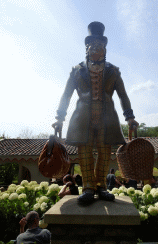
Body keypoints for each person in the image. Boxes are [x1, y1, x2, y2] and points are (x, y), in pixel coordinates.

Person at [52, 21, 139, 204]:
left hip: (107, 120)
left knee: (104, 153)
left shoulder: (113, 71)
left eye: (100, 46)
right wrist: (60, 118)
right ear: (87, 48)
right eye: (92, 46)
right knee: (84, 153)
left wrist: (130, 117)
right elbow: (66, 95)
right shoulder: (77, 71)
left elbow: (123, 95)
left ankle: (101, 187)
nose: (96, 49)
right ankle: (88, 188)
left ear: (105, 49)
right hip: (83, 119)